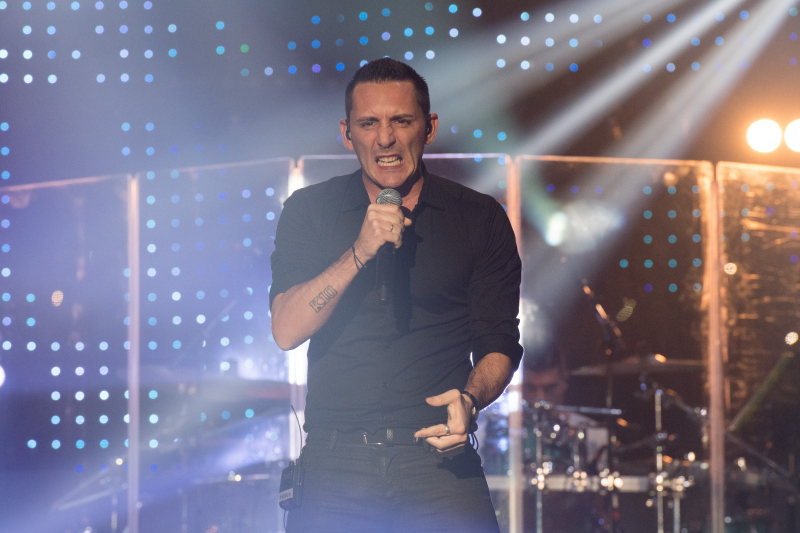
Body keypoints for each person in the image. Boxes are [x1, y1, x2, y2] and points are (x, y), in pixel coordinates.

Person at [269, 58, 523, 532]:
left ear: (429, 128)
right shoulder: (311, 210)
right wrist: (359, 251)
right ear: (347, 133)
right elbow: (286, 330)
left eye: (401, 121)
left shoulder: (478, 218)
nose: (384, 138)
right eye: (369, 123)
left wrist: (470, 400)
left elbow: (499, 342)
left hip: (439, 461)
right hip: (334, 464)